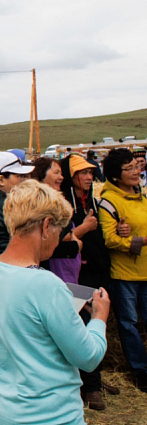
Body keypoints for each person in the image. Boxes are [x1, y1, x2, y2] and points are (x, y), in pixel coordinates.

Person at [0, 179, 109, 425]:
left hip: (0, 408)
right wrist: (99, 317)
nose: (58, 240)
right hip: (49, 415)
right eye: (59, 232)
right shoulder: (46, 285)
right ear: (46, 226)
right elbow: (88, 357)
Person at [58, 153, 122, 409]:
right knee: (82, 326)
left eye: (90, 172)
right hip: (75, 275)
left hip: (99, 271)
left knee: (98, 323)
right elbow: (61, 240)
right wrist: (82, 228)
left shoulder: (93, 202)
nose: (88, 177)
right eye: (81, 173)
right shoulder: (63, 205)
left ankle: (94, 377)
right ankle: (90, 387)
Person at [98, 148, 147, 393]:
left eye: (136, 166)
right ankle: (140, 371)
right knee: (128, 324)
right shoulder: (108, 201)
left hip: (146, 270)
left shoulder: (142, 195)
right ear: (116, 175)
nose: (136, 171)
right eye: (128, 168)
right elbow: (109, 239)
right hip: (124, 274)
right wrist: (140, 241)